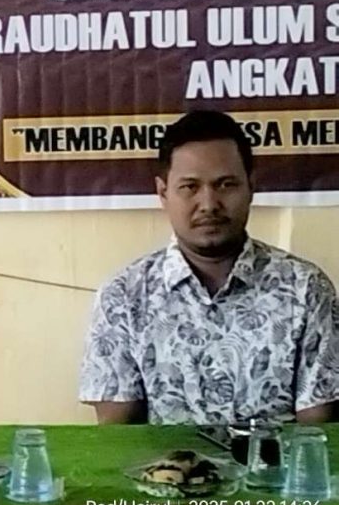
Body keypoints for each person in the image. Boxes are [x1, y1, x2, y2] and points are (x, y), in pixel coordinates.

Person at [79, 110, 339, 425]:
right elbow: (117, 436)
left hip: (274, 459)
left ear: (251, 186)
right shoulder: (123, 297)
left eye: (226, 185)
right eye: (190, 187)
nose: (209, 204)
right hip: (163, 459)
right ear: (163, 193)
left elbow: (319, 434)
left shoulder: (305, 289)